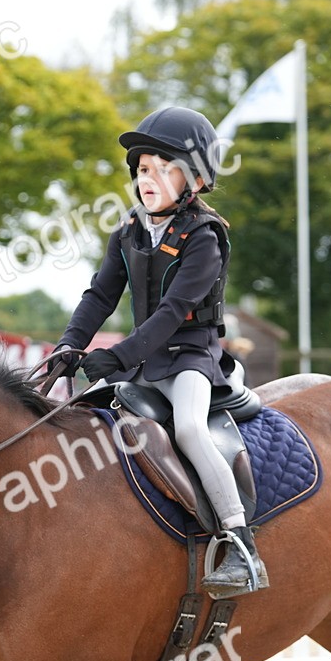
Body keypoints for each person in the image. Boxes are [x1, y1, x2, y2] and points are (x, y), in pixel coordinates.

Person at [51, 106, 268, 599]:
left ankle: (239, 542)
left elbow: (173, 312)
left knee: (189, 428)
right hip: (145, 362)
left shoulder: (205, 237)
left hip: (191, 360)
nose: (148, 178)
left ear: (193, 179)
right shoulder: (129, 231)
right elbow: (100, 296)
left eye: (163, 168)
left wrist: (119, 356)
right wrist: (70, 344)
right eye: (143, 168)